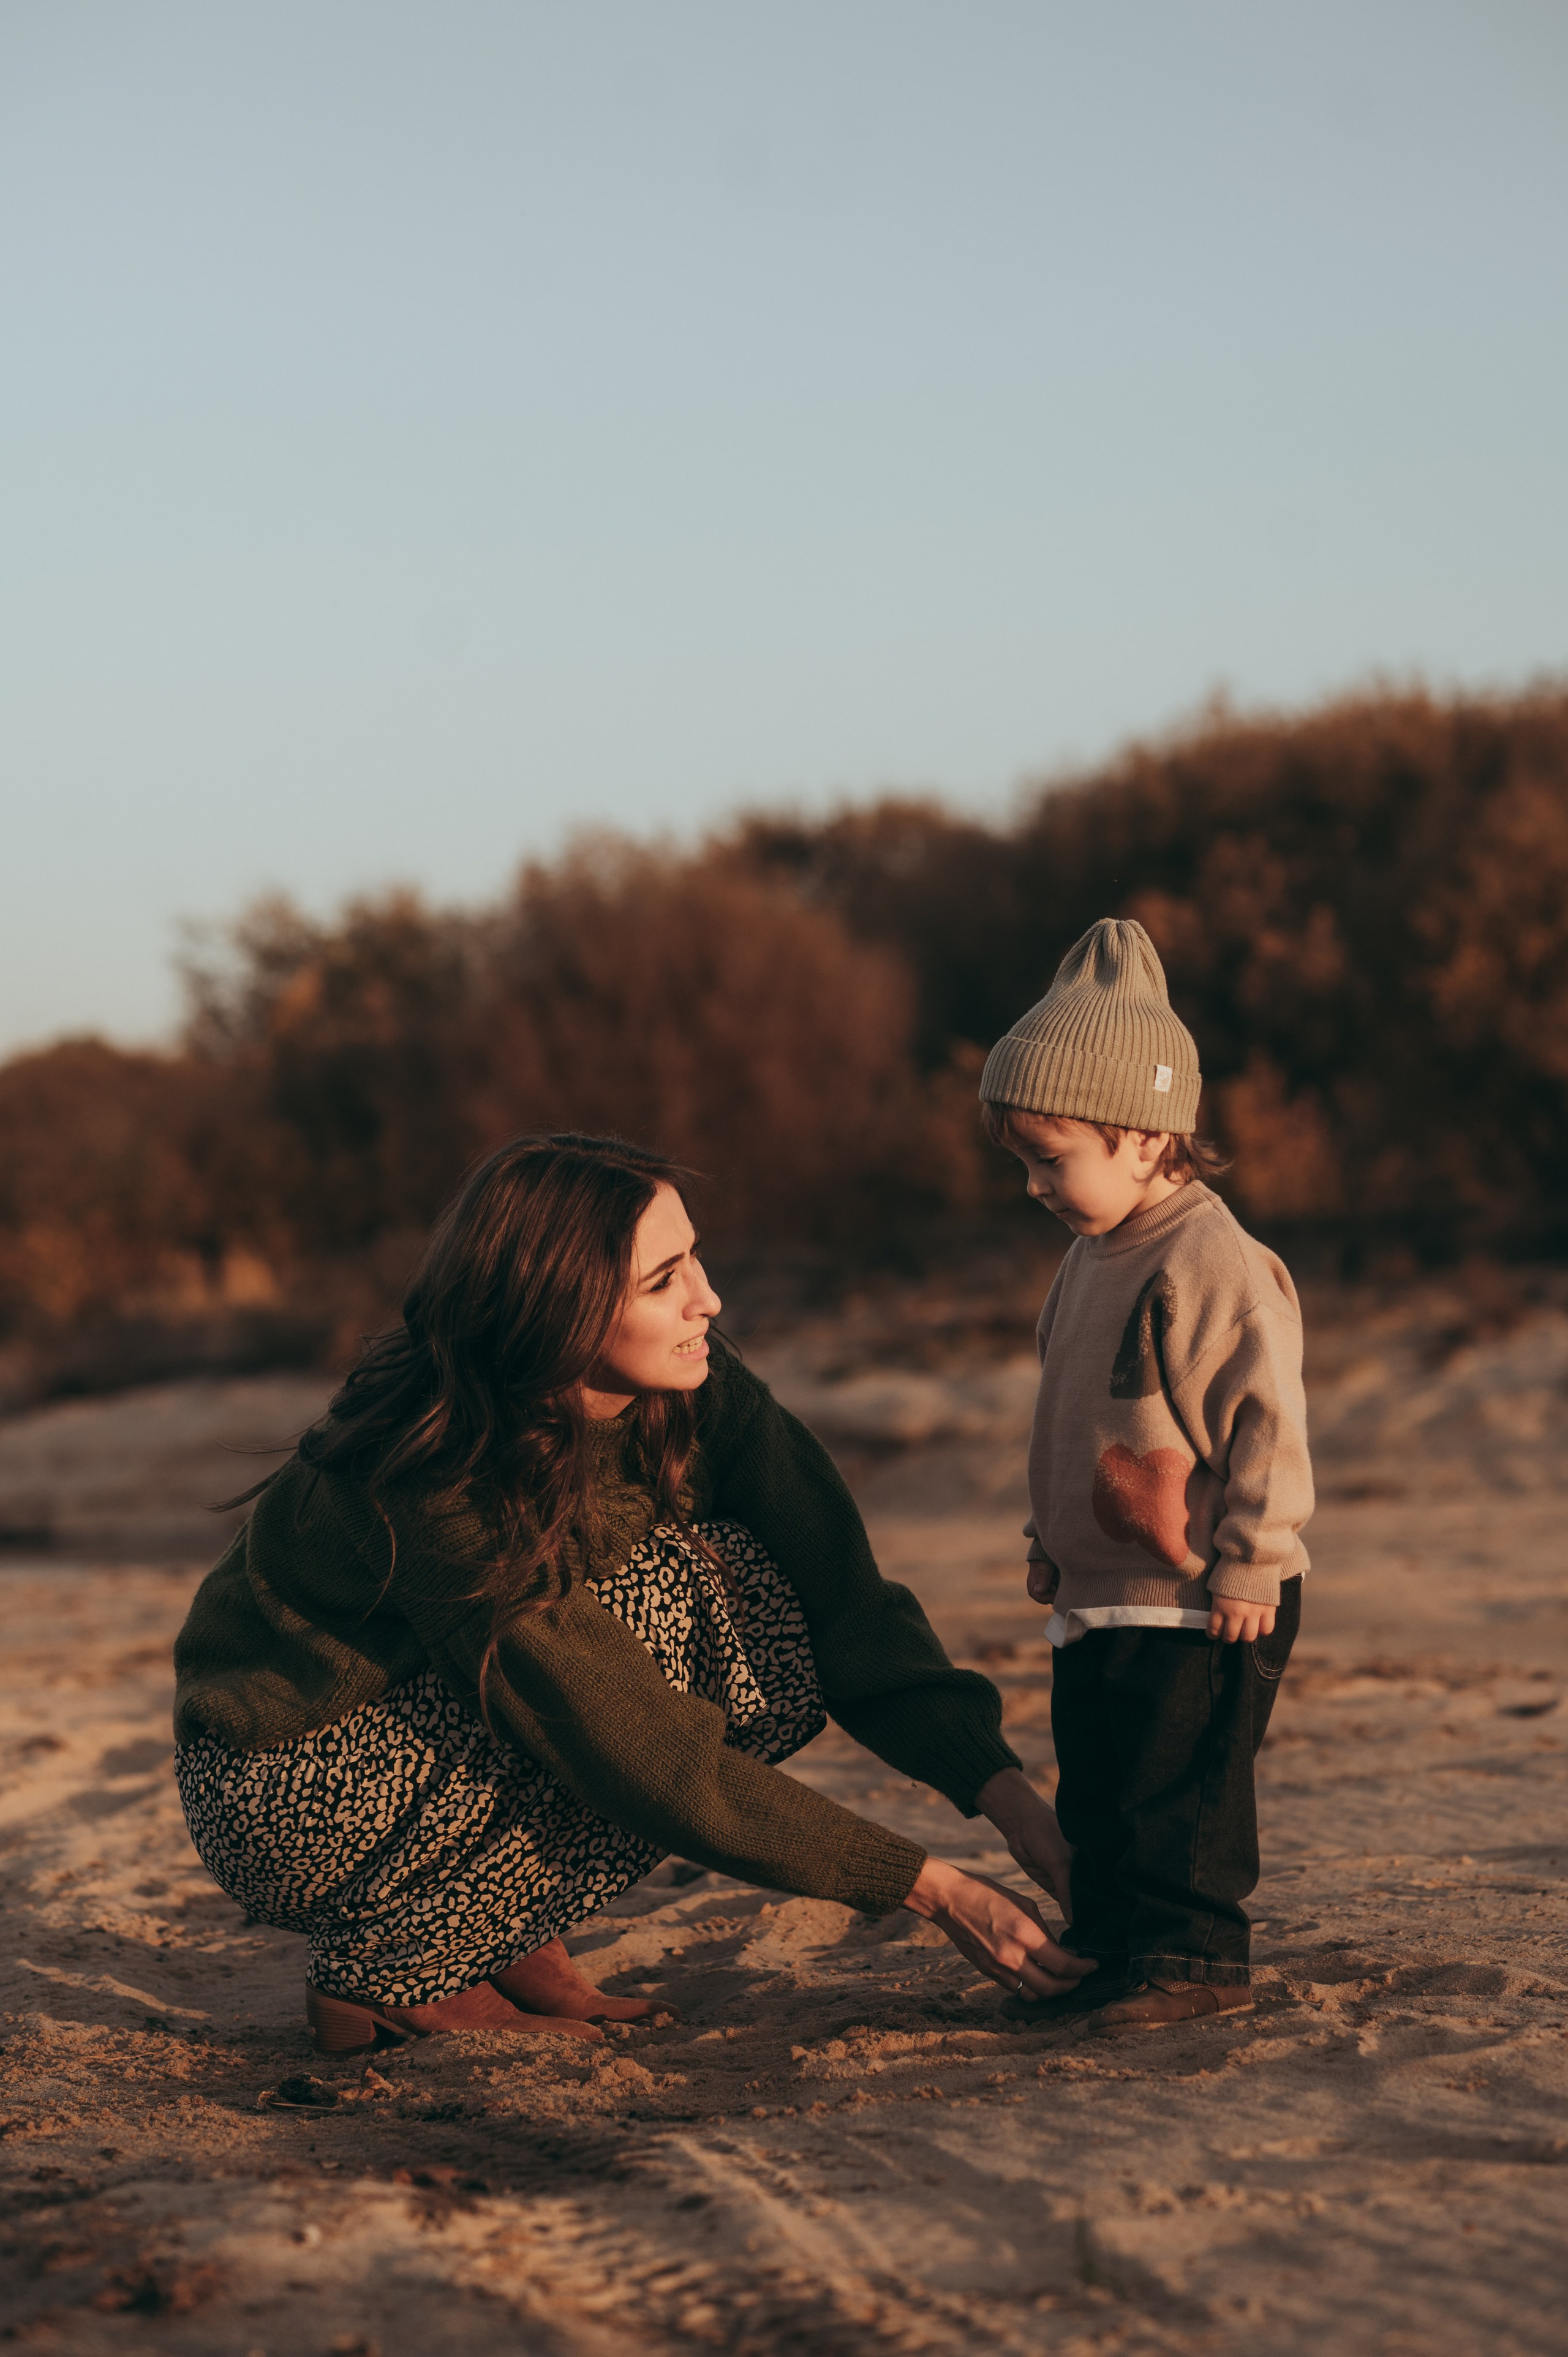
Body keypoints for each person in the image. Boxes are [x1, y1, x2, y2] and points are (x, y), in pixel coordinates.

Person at [173, 1133, 1093, 2056]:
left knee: (763, 1602)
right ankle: (401, 1972)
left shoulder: (694, 1380)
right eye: (663, 1281)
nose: (708, 1298)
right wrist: (932, 1887)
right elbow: (636, 1747)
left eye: (693, 1255)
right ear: (557, 1308)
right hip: (290, 1786)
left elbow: (846, 1602)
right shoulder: (444, 1472)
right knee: (675, 1612)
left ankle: (502, 1937)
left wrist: (1011, 1802)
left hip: (435, 1728)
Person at [978, 919, 1313, 2031]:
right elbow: (1069, 1422)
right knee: (1104, 1788)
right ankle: (1115, 1949)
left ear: (1143, 1136)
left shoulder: (1209, 1260)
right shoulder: (1084, 1263)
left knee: (1185, 1797)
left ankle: (1195, 1965)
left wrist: (1254, 1565)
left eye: (1048, 1156)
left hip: (1208, 1598)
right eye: (1022, 1159)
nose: (1033, 1184)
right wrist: (1050, 1540)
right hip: (1103, 1593)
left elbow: (1266, 1422)